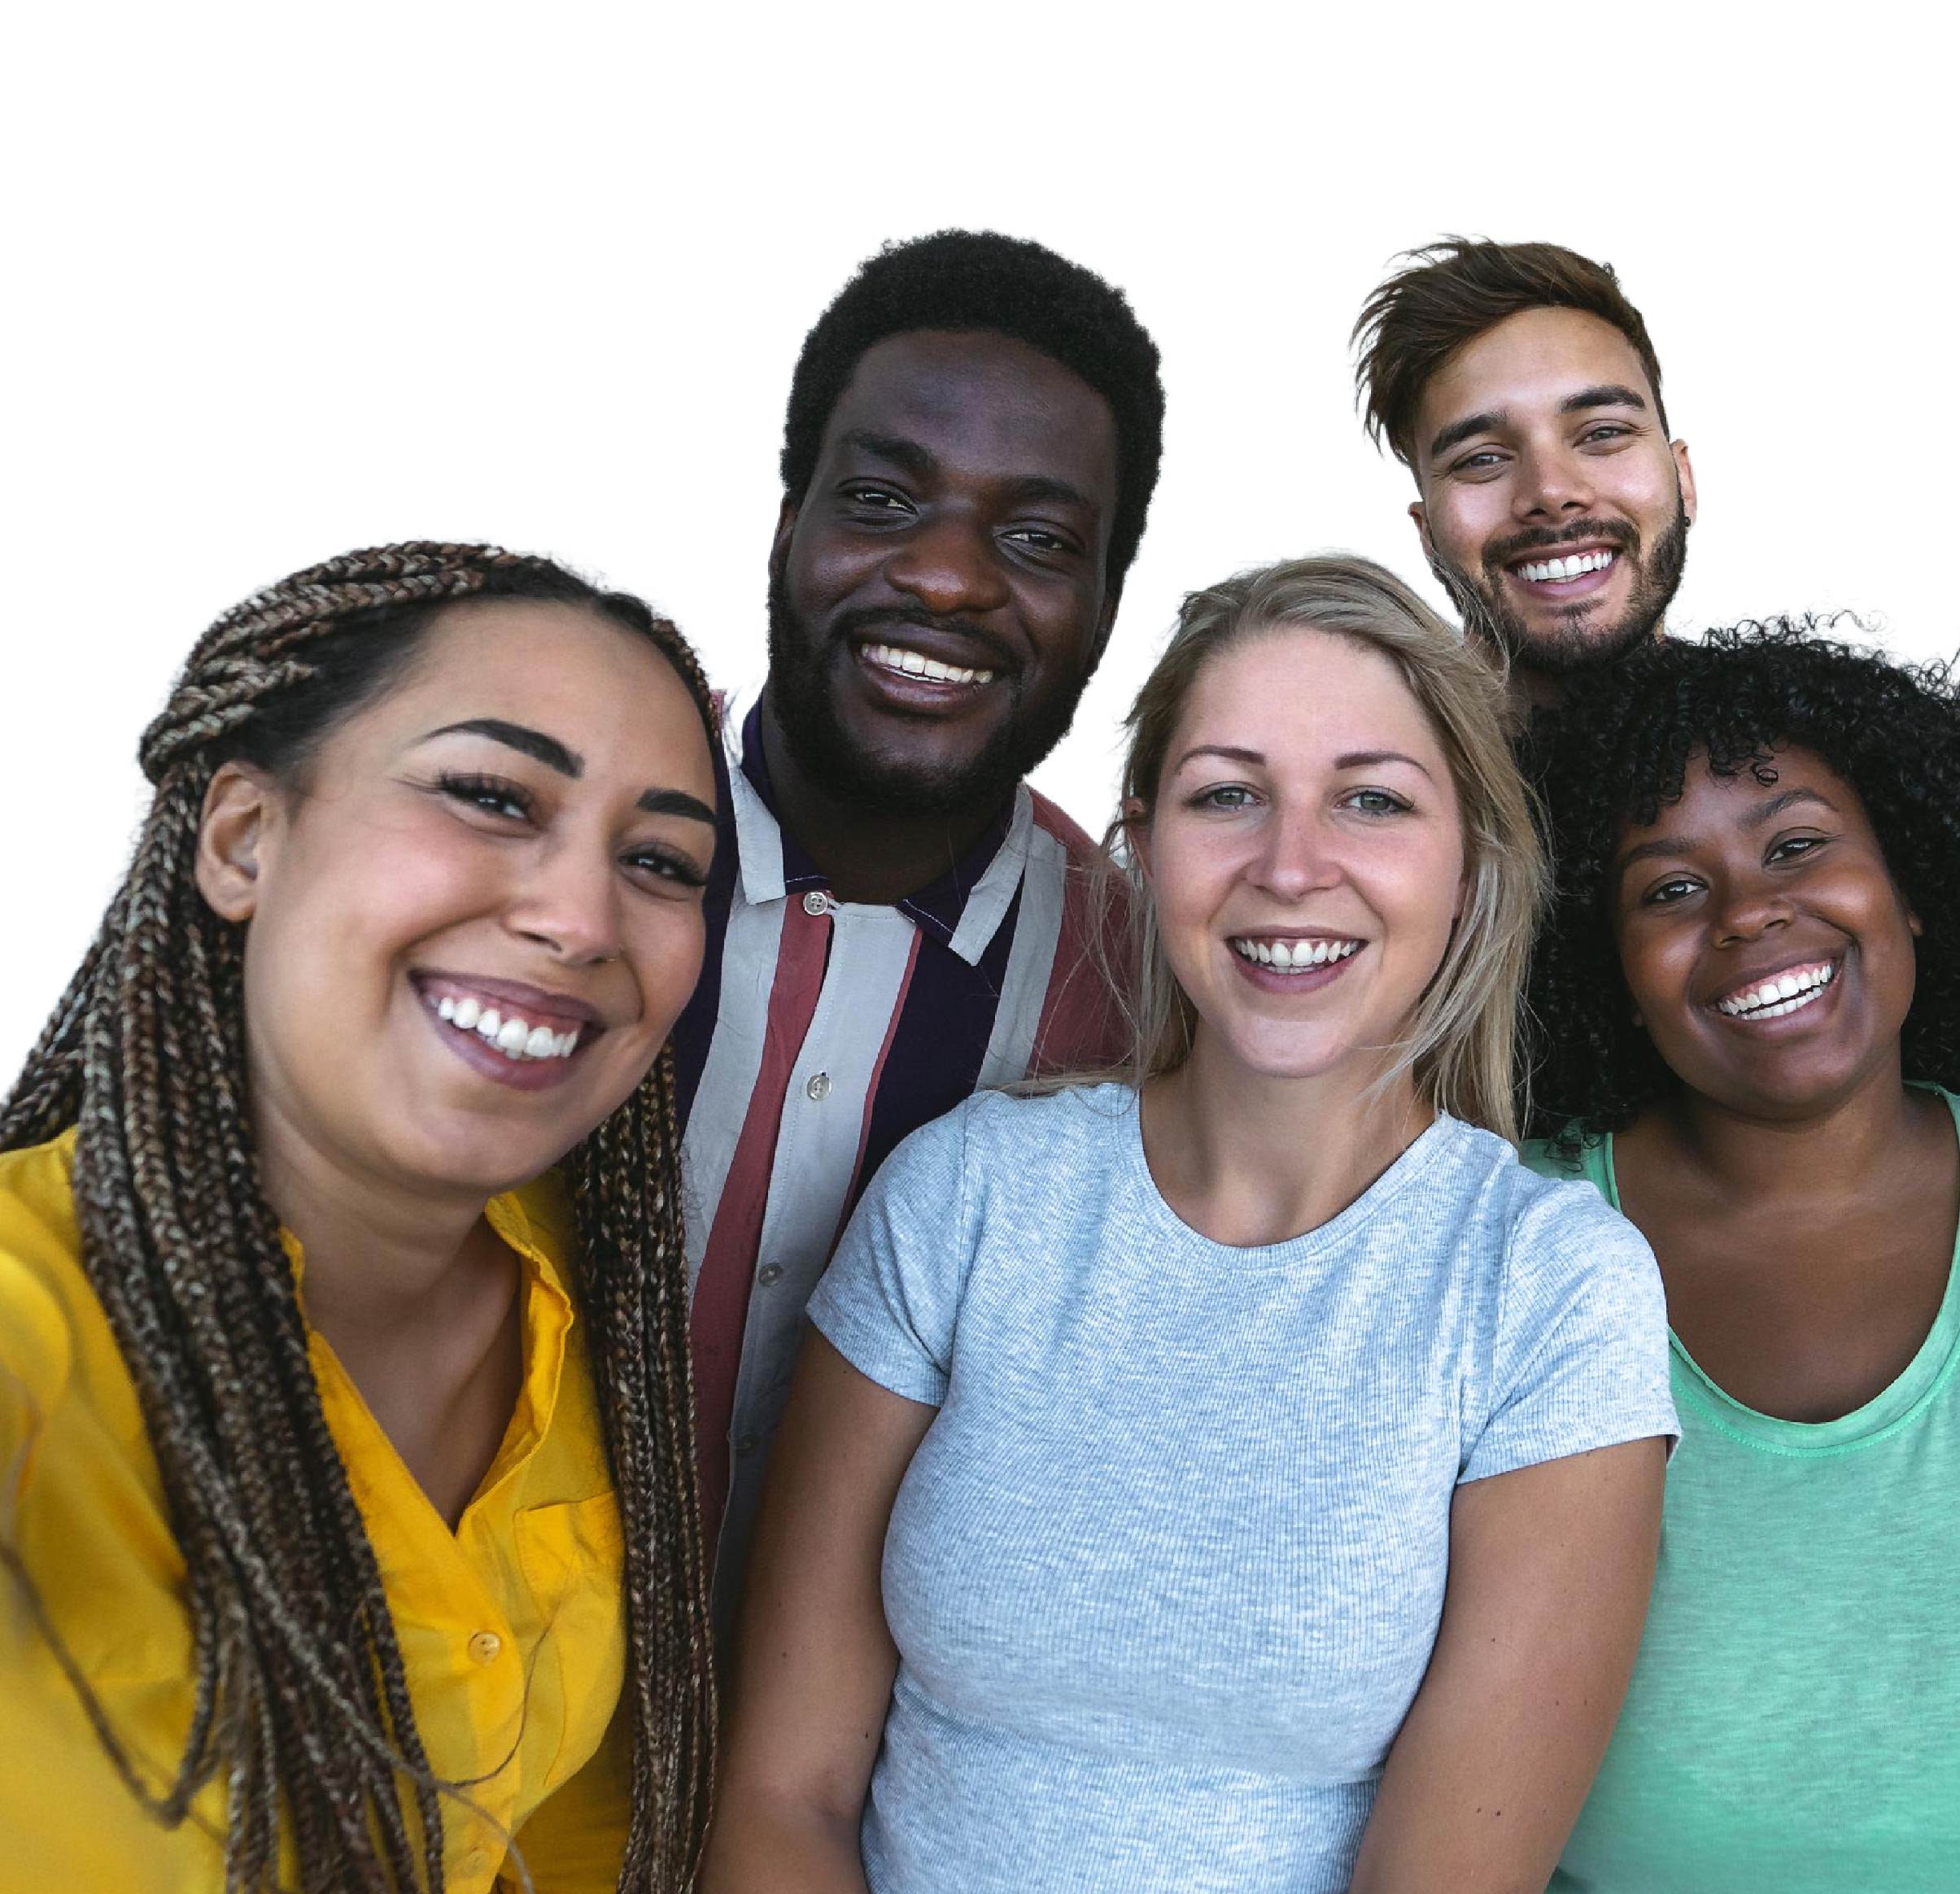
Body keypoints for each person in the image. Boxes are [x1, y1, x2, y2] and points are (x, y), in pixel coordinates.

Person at [704, 555, 1678, 1894]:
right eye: (1228, 794)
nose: (1290, 865)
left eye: (1370, 800)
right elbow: (779, 1795)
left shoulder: (1544, 1285)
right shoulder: (963, 1198)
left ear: (1469, 863)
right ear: (1143, 844)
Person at [0, 543, 719, 1892]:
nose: (579, 915)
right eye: (490, 794)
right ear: (242, 838)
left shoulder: (586, 1292)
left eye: (659, 859)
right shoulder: (32, 1317)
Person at [676, 228, 1165, 1624]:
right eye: (883, 499)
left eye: (1033, 538)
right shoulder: (549, 866)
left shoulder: (1145, 1001)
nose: (946, 577)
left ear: (1103, 605)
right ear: (786, 521)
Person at [1521, 621, 1960, 1891]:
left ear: (1912, 883)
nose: (1749, 910)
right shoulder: (1515, 1229)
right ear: (1607, 967)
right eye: (1668, 888)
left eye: (1798, 845)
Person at [1351, 238, 1696, 705]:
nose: (1551, 491)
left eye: (1601, 433)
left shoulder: (1803, 753)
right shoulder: (1368, 759)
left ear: (1684, 480)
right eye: (1482, 459)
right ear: (1427, 532)